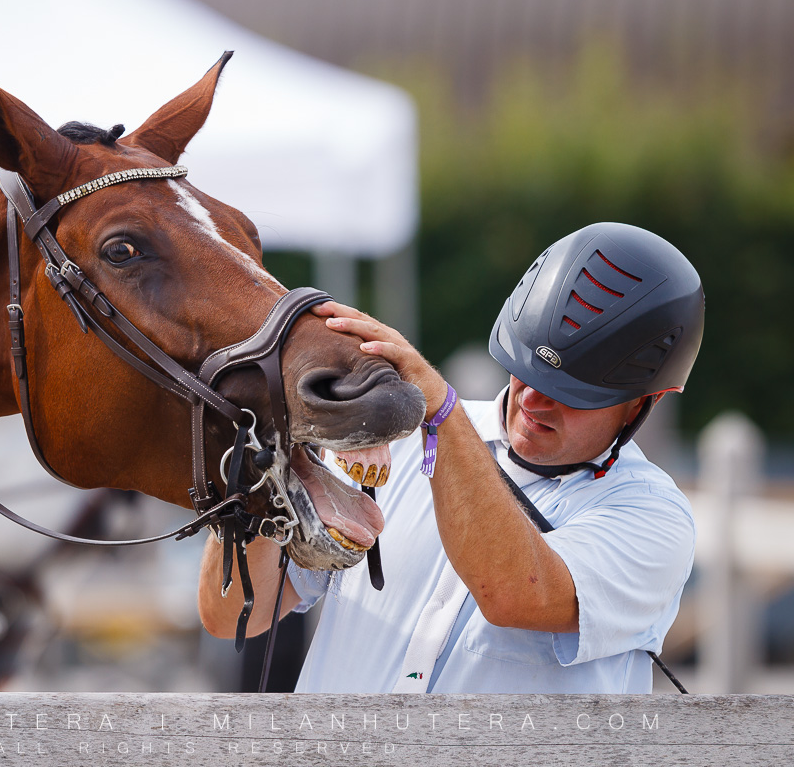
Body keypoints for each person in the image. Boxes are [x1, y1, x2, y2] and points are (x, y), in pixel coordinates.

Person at [198, 222, 705, 693]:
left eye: (569, 393)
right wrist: (267, 456)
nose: (531, 401)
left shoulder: (654, 516)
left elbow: (513, 593)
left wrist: (441, 415)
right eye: (523, 369)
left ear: (647, 401)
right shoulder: (399, 437)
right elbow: (229, 614)